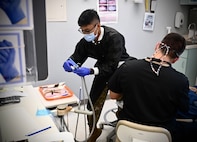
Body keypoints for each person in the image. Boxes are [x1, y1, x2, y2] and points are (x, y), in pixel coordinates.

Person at [108, 33, 197, 141]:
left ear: (157, 46)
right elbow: (184, 108)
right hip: (161, 135)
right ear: (176, 59)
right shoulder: (181, 81)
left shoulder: (127, 67)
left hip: (127, 131)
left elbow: (113, 95)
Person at [63, 9, 134, 141]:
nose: (85, 34)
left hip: (121, 69)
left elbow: (112, 65)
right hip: (102, 70)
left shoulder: (114, 37)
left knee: (124, 103)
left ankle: (124, 128)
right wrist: (70, 62)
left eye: (88, 30)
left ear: (98, 25)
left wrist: (90, 71)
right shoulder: (86, 41)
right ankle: (94, 132)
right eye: (82, 31)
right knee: (92, 104)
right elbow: (77, 56)